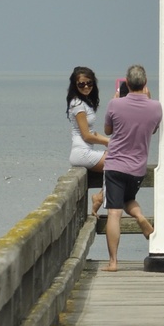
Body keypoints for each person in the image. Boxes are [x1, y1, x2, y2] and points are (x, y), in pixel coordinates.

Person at [102, 63, 162, 271]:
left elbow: (108, 130)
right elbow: (153, 130)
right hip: (137, 169)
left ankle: (113, 262)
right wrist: (149, 98)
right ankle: (139, 216)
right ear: (145, 83)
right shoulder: (156, 107)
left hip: (115, 165)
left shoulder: (114, 104)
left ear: (126, 83)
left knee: (114, 213)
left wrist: (116, 101)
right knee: (128, 199)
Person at [66, 66, 108, 216]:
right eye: (81, 84)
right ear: (74, 85)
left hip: (86, 151)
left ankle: (100, 196)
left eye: (89, 83)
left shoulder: (85, 102)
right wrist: (107, 142)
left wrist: (106, 140)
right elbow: (86, 136)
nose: (86, 87)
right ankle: (100, 197)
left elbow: (91, 133)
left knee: (119, 163)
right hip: (81, 152)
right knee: (120, 162)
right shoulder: (77, 104)